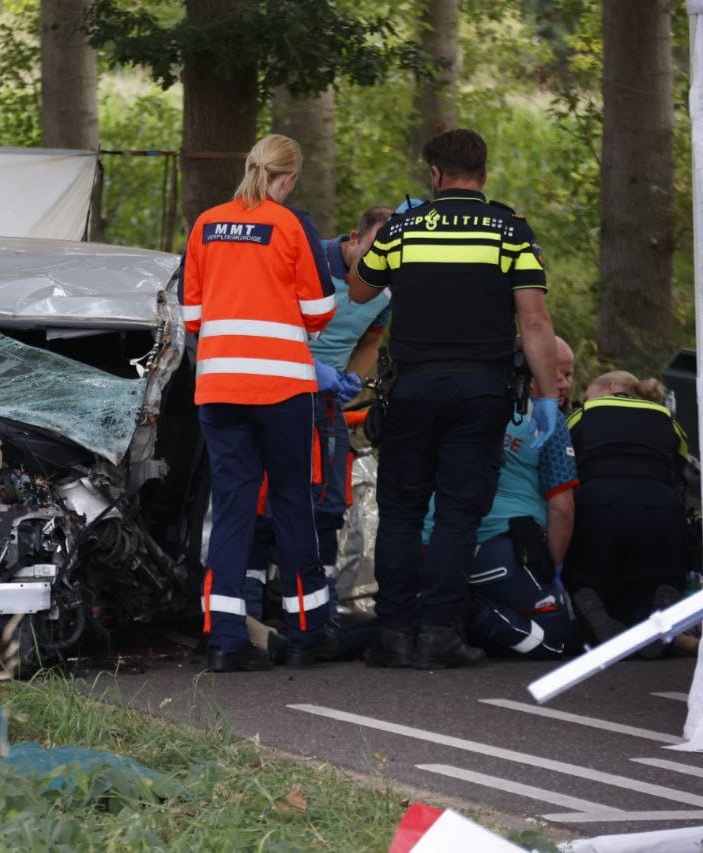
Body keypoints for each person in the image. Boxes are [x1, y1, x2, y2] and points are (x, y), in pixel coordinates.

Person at [347, 128, 559, 669]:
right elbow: (534, 321)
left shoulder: (403, 228)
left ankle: (394, 633)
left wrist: (389, 236)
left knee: (400, 511)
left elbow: (358, 290)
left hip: (412, 389)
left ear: (435, 175)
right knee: (458, 515)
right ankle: (439, 633)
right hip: (482, 390)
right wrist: (547, 397)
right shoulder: (510, 232)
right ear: (483, 174)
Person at [181, 134, 338, 672]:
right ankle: (306, 631)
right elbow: (320, 308)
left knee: (230, 507)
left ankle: (224, 639)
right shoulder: (292, 225)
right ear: (288, 178)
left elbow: (191, 317)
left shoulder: (206, 224)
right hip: (281, 390)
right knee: (292, 502)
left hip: (219, 387)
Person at [424, 336, 578, 658]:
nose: (563, 384)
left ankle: (434, 613)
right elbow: (562, 507)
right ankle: (464, 610)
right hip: (499, 549)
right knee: (556, 638)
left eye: (569, 374)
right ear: (528, 372)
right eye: (554, 374)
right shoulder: (546, 421)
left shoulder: (454, 405)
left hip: (432, 545)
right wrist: (551, 568)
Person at [564, 370, 694, 656]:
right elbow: (683, 467)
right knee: (660, 569)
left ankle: (592, 609)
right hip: (658, 505)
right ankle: (660, 610)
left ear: (608, 387)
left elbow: (563, 460)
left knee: (586, 569)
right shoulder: (665, 416)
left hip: (599, 501)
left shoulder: (583, 413)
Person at [307, 205, 395, 592]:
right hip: (284, 388)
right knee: (279, 500)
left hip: (330, 401)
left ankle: (321, 596)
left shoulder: (388, 288)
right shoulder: (310, 262)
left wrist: (352, 380)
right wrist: (310, 369)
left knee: (331, 500)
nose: (382, 260)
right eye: (375, 248)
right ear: (355, 238)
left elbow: (371, 340)